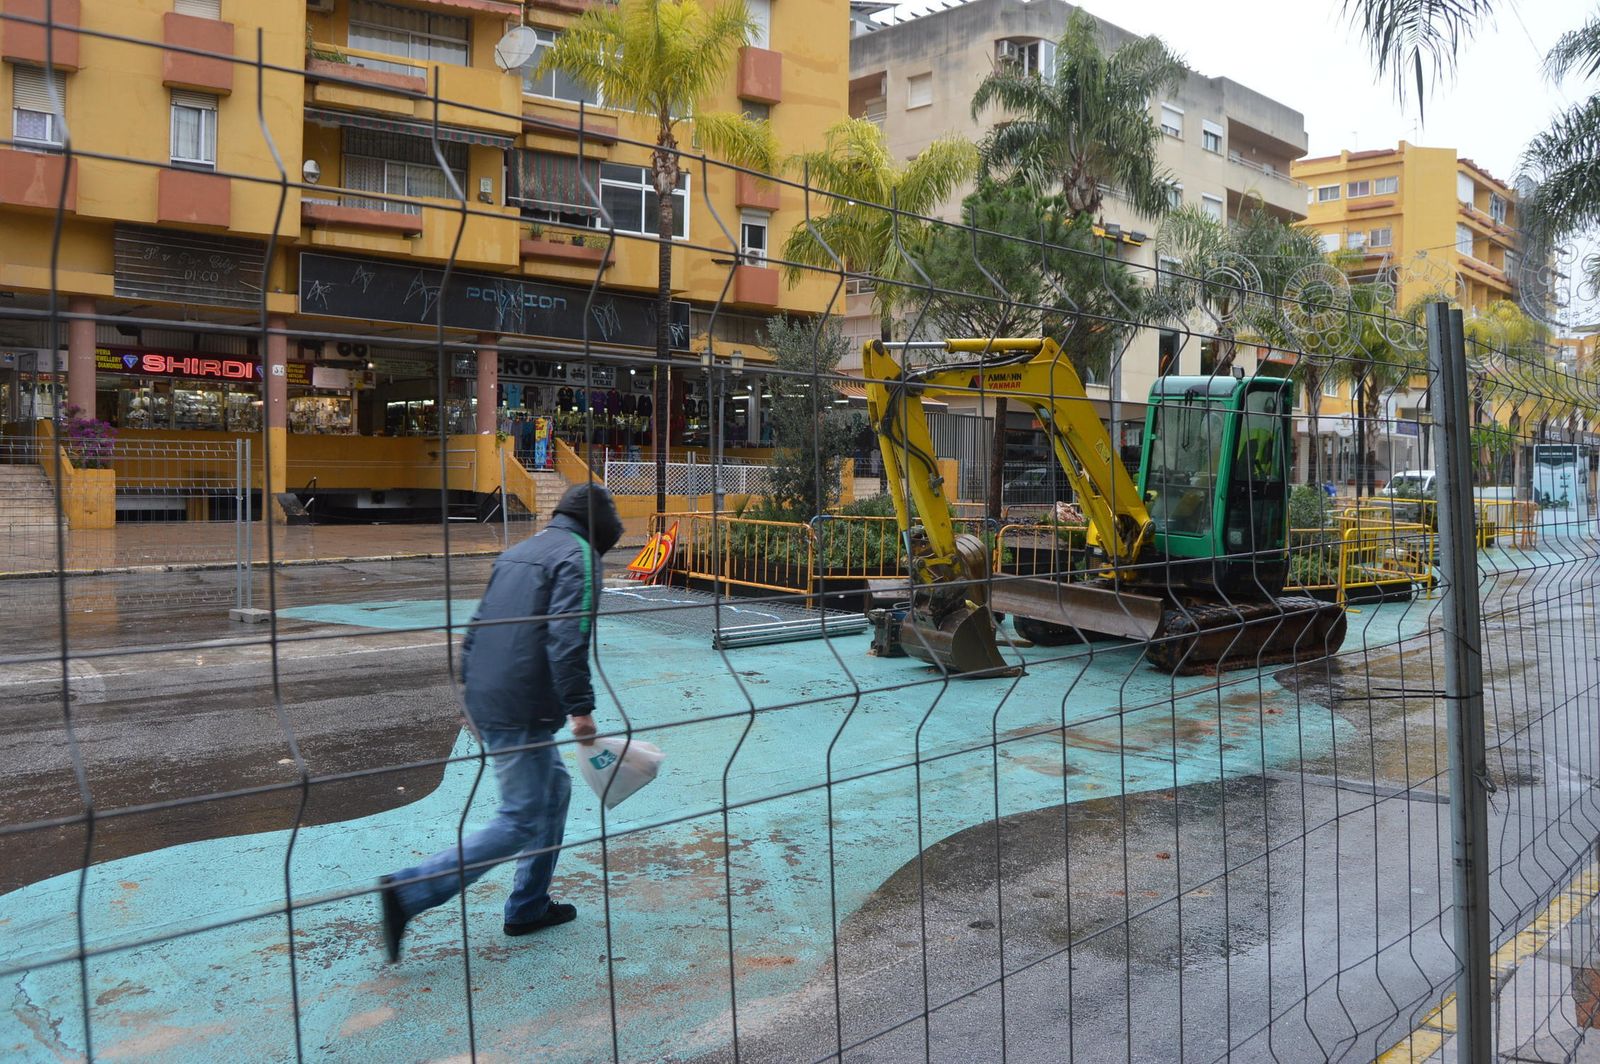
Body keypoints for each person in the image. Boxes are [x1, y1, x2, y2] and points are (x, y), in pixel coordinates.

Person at [378, 483, 625, 962]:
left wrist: (470, 695)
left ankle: (529, 905)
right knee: (520, 817)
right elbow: (566, 637)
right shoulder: (579, 557)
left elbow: (478, 627)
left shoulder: (520, 552)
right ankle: (408, 893)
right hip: (522, 703)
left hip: (491, 694)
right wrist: (581, 711)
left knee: (553, 792)